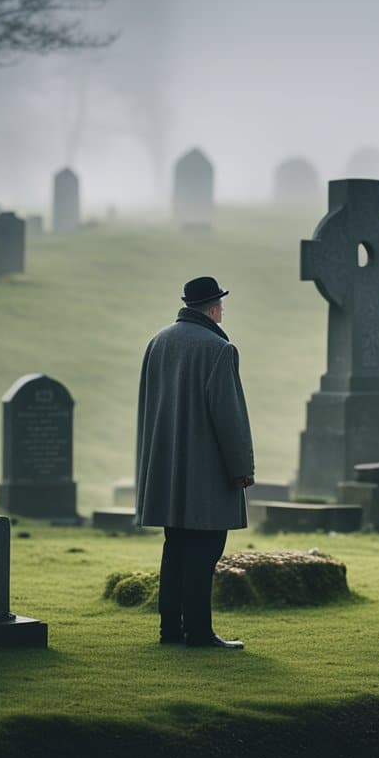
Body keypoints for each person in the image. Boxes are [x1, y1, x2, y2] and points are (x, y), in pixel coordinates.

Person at [135, 276, 255, 648]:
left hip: (167, 470)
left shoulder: (158, 342)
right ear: (214, 308)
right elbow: (229, 417)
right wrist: (241, 469)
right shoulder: (219, 349)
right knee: (205, 551)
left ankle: (170, 630)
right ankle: (199, 633)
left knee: (175, 548)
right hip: (206, 473)